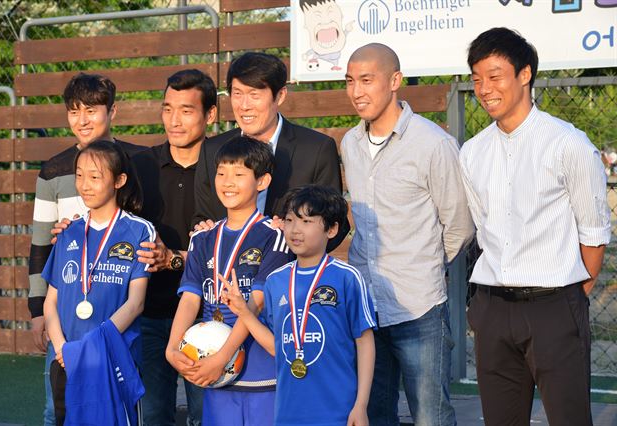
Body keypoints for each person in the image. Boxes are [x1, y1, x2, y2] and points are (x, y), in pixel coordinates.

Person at [460, 27, 610, 426]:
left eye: (494, 76)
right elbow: (482, 226)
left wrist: (569, 295)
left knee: (569, 419)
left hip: (555, 306)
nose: (484, 88)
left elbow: (594, 233)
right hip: (492, 308)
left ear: (524, 74)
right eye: (477, 79)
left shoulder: (568, 144)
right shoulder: (472, 153)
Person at [341, 43, 474, 426]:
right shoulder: (350, 143)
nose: (357, 91)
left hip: (418, 308)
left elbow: (459, 224)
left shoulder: (433, 143)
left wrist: (425, 265)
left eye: (367, 80)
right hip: (366, 306)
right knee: (374, 413)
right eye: (350, 81)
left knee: (430, 417)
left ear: (395, 81)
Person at [28, 73, 146, 426]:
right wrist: (38, 310)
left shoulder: (138, 162)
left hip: (116, 314)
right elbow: (40, 244)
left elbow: (144, 231)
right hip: (65, 315)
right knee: (57, 408)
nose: (82, 120)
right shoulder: (52, 172)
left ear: (113, 112)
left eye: (91, 110)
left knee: (120, 405)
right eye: (74, 111)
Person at [221, 184, 377, 426]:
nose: (295, 230)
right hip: (288, 412)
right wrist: (244, 311)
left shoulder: (347, 277)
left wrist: (361, 405)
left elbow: (365, 341)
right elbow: (277, 346)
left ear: (332, 229)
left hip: (338, 412)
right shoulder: (276, 280)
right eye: (290, 220)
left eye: (306, 222)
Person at [166, 136, 293, 426]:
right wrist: (171, 348)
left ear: (262, 181)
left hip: (260, 376)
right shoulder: (202, 238)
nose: (228, 182)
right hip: (216, 378)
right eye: (222, 173)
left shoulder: (275, 237)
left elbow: (257, 303)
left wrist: (223, 357)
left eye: (239, 174)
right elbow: (190, 298)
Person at [42, 140, 155, 425]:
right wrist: (62, 349)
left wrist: (96, 344)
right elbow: (50, 302)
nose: (85, 185)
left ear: (119, 180)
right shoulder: (68, 232)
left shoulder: (139, 230)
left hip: (112, 356)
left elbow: (136, 302)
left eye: (95, 176)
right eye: (79, 175)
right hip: (67, 357)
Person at [193, 51, 349, 251]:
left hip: (289, 275)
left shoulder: (316, 149)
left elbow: (336, 223)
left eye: (254, 95)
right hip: (225, 274)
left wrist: (295, 239)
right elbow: (202, 216)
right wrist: (203, 229)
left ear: (280, 95)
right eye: (237, 94)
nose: (244, 106)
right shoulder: (212, 149)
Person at [131, 69, 217, 426]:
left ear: (210, 114)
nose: (174, 121)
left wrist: (175, 260)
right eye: (168, 109)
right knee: (152, 416)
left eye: (186, 110)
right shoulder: (139, 166)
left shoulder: (227, 170)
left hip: (208, 317)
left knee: (206, 416)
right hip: (148, 314)